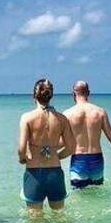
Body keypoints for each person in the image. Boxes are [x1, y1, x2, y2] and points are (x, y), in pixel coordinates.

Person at [17, 78, 76, 213]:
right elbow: (71, 147)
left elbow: (21, 148)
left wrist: (23, 158)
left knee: (34, 218)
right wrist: (56, 156)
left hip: (34, 172)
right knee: (59, 215)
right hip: (55, 171)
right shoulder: (61, 118)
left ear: (34, 96)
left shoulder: (27, 118)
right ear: (51, 96)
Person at [62, 80, 111, 188]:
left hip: (78, 158)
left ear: (73, 94)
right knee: (97, 193)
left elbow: (62, 142)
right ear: (89, 92)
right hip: (96, 158)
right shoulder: (100, 112)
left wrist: (47, 151)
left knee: (80, 195)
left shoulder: (68, 114)